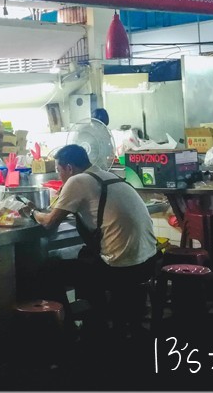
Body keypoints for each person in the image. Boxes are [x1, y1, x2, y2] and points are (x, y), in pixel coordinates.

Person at [30, 144, 156, 337]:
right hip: (148, 263)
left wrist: (32, 212)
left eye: (58, 170)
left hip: (120, 269)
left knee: (49, 271)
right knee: (85, 256)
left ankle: (68, 332)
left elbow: (49, 223)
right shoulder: (107, 176)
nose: (58, 176)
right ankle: (96, 320)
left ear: (69, 168)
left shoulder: (78, 181)